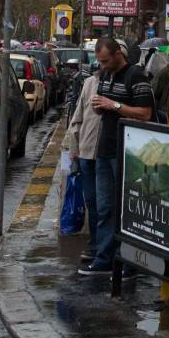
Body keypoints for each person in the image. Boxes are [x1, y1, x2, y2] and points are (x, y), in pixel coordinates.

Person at [78, 37, 153, 276]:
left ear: (118, 54)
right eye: (99, 61)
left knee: (126, 209)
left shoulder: (136, 76)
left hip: (128, 151)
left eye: (105, 61)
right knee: (104, 208)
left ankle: (128, 261)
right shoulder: (106, 75)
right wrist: (100, 106)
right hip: (105, 149)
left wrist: (114, 105)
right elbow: (104, 106)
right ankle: (104, 258)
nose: (102, 66)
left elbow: (145, 113)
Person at [63, 66, 102, 265]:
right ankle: (96, 244)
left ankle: (105, 248)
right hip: (87, 152)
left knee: (106, 205)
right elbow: (77, 119)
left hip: (109, 154)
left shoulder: (124, 84)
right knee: (93, 203)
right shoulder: (90, 83)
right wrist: (74, 149)